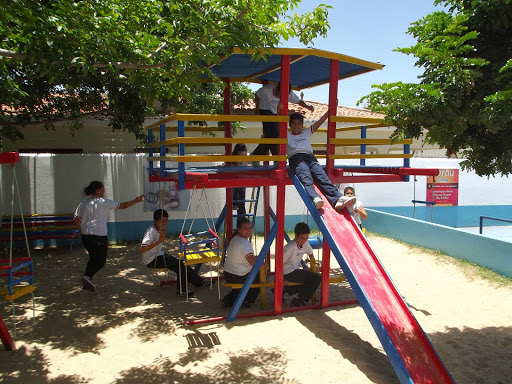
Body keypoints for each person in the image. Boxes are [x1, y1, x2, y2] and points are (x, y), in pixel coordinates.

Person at [73, 180, 144, 292]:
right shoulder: (104, 202)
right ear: (98, 190)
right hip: (99, 236)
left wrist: (81, 231)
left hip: (86, 237)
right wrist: (136, 200)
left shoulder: (84, 203)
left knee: (93, 257)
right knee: (101, 261)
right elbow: (123, 205)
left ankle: (87, 281)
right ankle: (87, 276)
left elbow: (76, 219)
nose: (104, 190)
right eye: (103, 188)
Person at [287, 111, 356, 210]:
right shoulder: (287, 135)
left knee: (322, 176)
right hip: (295, 157)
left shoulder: (306, 133)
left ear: (302, 125)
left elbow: (319, 123)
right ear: (290, 125)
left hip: (310, 156)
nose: (296, 125)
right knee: (305, 175)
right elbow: (278, 123)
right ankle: (315, 197)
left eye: (299, 123)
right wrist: (279, 110)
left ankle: (337, 199)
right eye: (293, 123)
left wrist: (329, 111)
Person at [141, 209, 208, 297]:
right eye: (162, 221)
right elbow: (143, 249)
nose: (164, 223)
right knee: (180, 265)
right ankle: (182, 290)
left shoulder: (160, 228)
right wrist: (158, 242)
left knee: (182, 263)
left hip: (159, 255)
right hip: (151, 260)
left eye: (166, 221)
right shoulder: (151, 232)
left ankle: (198, 281)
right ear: (155, 220)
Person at [252, 82, 315, 157]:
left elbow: (298, 101)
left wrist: (307, 106)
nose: (281, 97)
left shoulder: (288, 93)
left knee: (274, 135)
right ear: (277, 90)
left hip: (276, 112)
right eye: (280, 95)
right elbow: (257, 95)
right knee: (274, 134)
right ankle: (274, 157)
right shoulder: (267, 90)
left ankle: (258, 155)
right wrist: (257, 109)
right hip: (265, 109)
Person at [221, 218, 261, 308]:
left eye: (250, 227)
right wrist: (263, 264)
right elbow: (253, 263)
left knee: (247, 279)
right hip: (237, 275)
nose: (249, 230)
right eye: (245, 228)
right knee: (259, 277)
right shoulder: (244, 243)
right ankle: (246, 300)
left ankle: (229, 299)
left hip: (228, 273)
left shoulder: (235, 238)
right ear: (239, 230)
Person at [283, 222, 321, 307]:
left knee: (310, 278)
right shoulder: (290, 247)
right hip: (287, 272)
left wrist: (312, 266)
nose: (304, 240)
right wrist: (280, 278)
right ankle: (300, 300)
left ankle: (285, 290)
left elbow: (311, 254)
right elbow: (279, 262)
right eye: (302, 238)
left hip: (294, 270)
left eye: (306, 238)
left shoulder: (306, 243)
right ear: (296, 236)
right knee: (316, 278)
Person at [232, 143, 250, 216]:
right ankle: (235, 204)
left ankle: (242, 214)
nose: (242, 156)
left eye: (243, 154)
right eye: (240, 154)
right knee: (236, 190)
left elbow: (252, 162)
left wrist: (256, 164)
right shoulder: (232, 158)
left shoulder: (247, 157)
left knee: (242, 197)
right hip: (235, 179)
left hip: (242, 180)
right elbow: (226, 163)